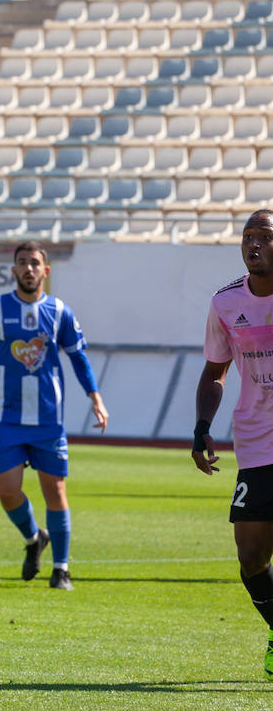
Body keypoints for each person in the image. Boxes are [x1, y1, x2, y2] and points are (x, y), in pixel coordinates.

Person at [0, 240, 108, 591]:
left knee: (55, 490)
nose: (29, 269)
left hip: (48, 420)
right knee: (7, 491)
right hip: (5, 417)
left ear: (45, 270)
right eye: (22, 263)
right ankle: (35, 537)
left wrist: (95, 398)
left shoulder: (60, 311)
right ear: (14, 269)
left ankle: (61, 569)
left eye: (35, 263)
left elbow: (78, 357)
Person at [192, 209, 273, 681]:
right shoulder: (226, 302)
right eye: (248, 237)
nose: (255, 244)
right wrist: (203, 424)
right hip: (257, 443)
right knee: (250, 557)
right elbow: (215, 370)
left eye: (265, 236)